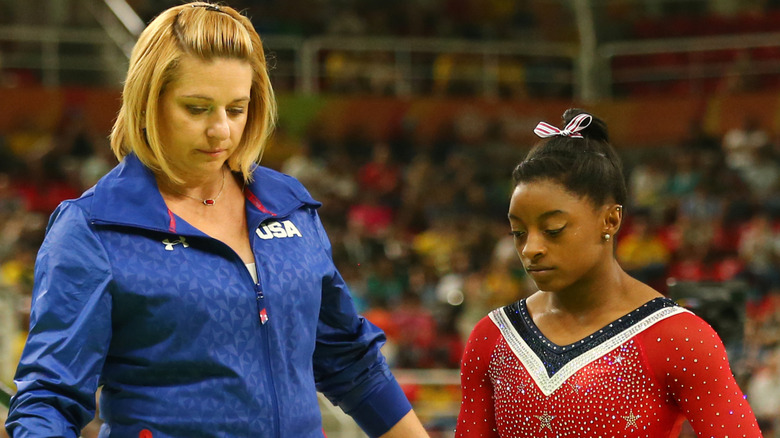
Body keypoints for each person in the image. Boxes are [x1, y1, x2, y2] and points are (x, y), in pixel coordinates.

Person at [4, 3, 429, 438]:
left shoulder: (289, 206)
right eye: (197, 108)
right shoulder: (93, 228)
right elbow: (49, 398)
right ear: (149, 102)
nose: (221, 131)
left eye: (236, 109)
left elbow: (350, 362)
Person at [455, 109, 762, 437]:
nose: (531, 248)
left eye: (553, 229)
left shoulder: (678, 336)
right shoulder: (493, 337)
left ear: (611, 220)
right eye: (518, 232)